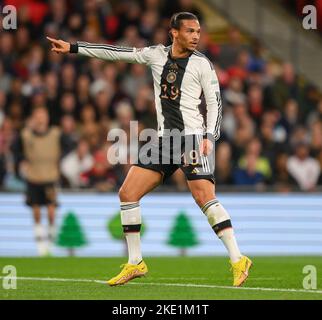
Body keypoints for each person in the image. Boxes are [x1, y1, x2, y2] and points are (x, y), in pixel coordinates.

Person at [47, 12, 252, 287]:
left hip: (191, 137)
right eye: (190, 31)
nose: (196, 37)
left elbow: (215, 103)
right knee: (127, 192)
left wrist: (209, 136)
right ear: (174, 33)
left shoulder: (203, 64)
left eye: (198, 32)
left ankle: (238, 259)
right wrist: (73, 47)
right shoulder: (156, 55)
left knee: (204, 197)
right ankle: (135, 263)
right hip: (165, 140)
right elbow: (116, 53)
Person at [11, 106, 62, 256]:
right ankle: (40, 245)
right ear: (33, 118)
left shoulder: (55, 134)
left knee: (51, 211)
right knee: (37, 212)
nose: (40, 119)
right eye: (38, 115)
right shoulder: (25, 135)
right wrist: (21, 161)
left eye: (43, 115)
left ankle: (51, 242)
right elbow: (15, 150)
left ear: (47, 118)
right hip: (33, 177)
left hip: (50, 177)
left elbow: (68, 146)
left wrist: (60, 162)